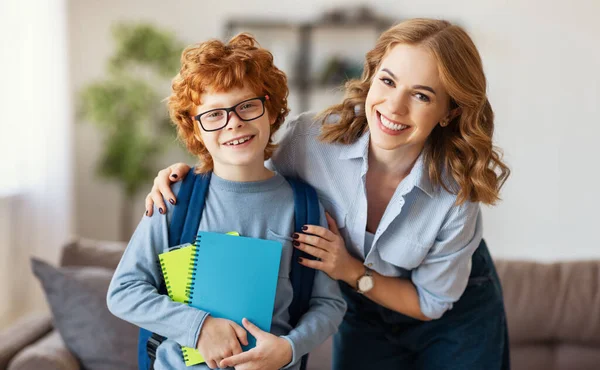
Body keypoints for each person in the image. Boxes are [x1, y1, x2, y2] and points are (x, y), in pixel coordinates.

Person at [145, 19, 511, 369]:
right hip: (358, 304)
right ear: (371, 77)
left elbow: (431, 303)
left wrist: (349, 268)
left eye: (421, 95)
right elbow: (247, 178)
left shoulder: (456, 191)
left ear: (450, 111)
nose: (394, 107)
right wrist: (190, 177)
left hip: (452, 312)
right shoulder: (311, 141)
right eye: (387, 81)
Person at [106, 33, 346, 370]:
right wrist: (199, 327)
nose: (233, 122)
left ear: (271, 110)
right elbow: (123, 292)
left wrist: (289, 348)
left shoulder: (304, 207)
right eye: (214, 115)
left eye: (247, 106)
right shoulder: (174, 200)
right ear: (195, 128)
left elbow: (328, 304)